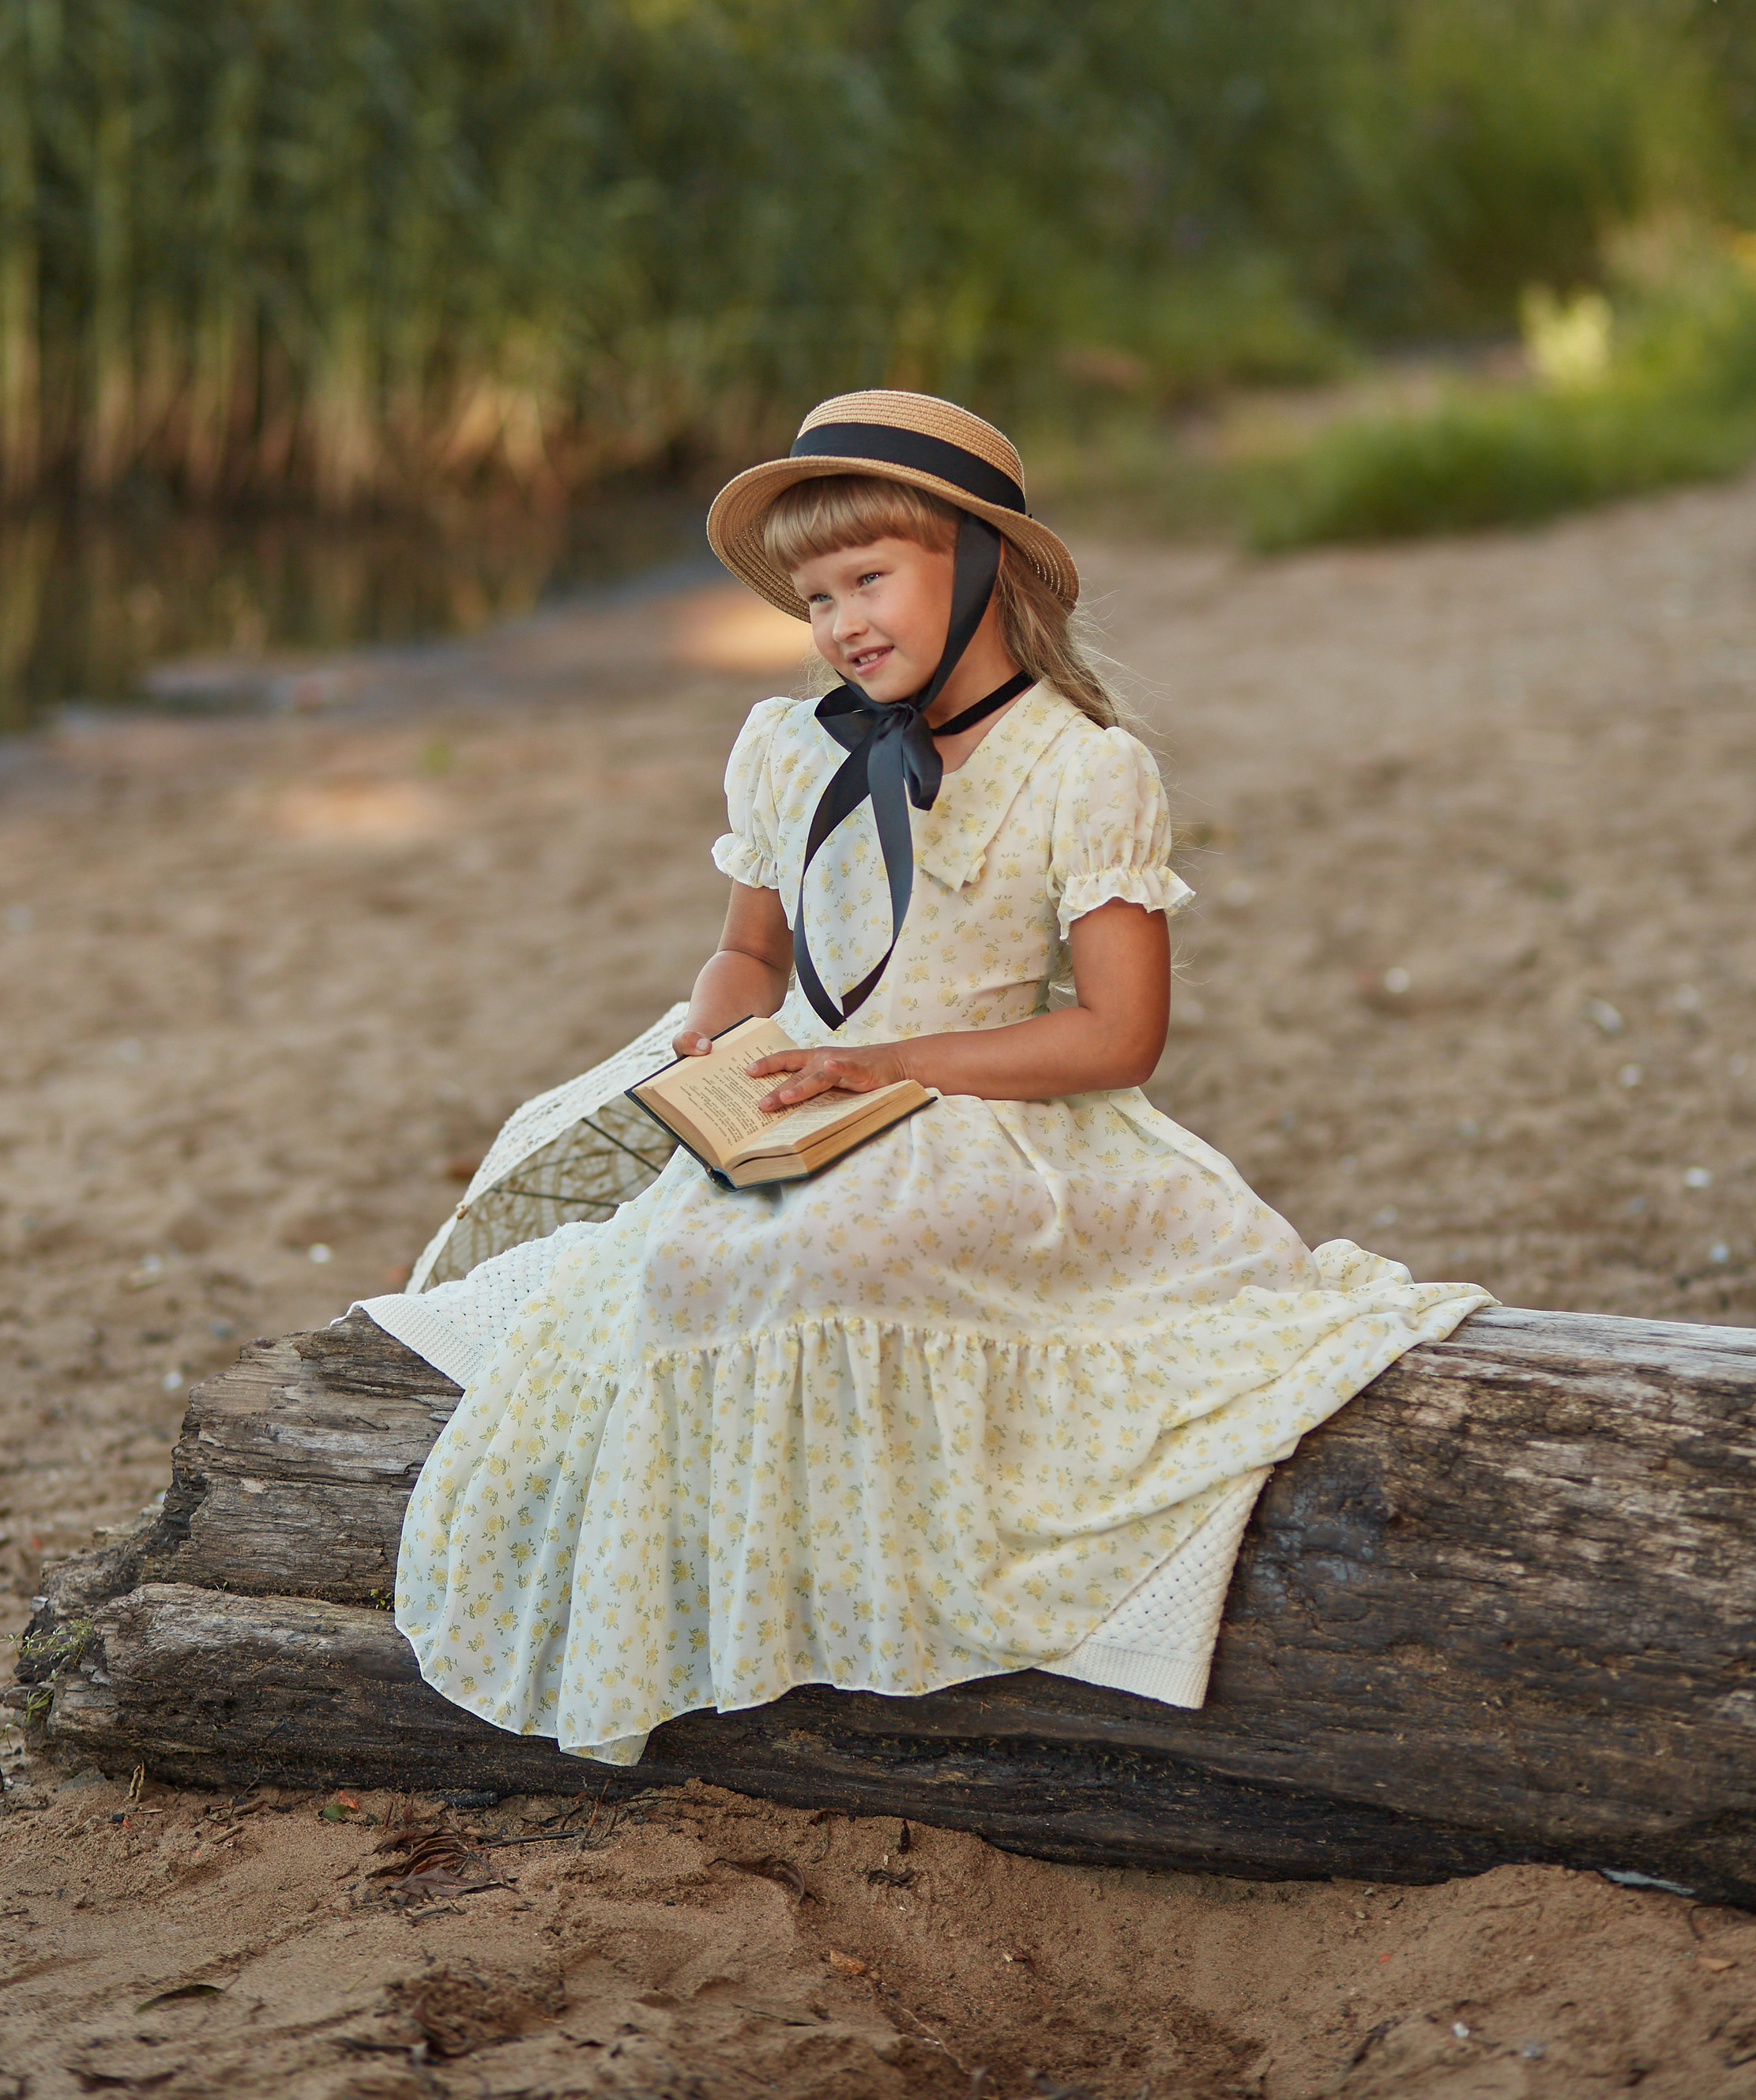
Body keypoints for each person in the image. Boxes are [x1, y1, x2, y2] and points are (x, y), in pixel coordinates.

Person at [352, 390, 1489, 1766]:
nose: (840, 623)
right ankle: (723, 1611)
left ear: (982, 569)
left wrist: (886, 1062)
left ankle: (894, 1619)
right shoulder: (789, 750)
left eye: (868, 580)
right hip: (809, 1093)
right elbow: (745, 952)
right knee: (672, 1266)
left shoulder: (1084, 769)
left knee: (829, 1253)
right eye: (816, 596)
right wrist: (714, 1033)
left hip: (990, 1111)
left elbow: (1118, 1037)